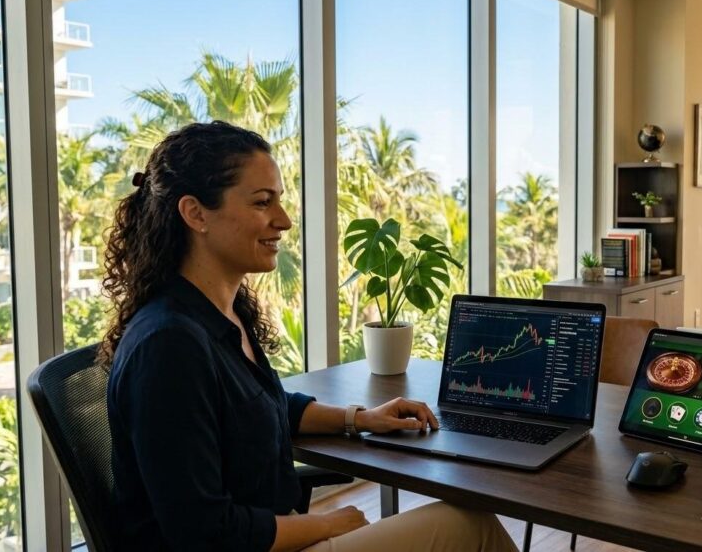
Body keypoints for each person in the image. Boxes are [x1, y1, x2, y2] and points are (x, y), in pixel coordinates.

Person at [102, 121, 518, 552]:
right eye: (263, 202)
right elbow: (206, 535)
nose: (282, 221)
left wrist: (361, 418)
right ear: (195, 213)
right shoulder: (169, 346)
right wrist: (330, 524)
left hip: (270, 536)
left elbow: (260, 404)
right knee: (470, 525)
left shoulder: (219, 315)